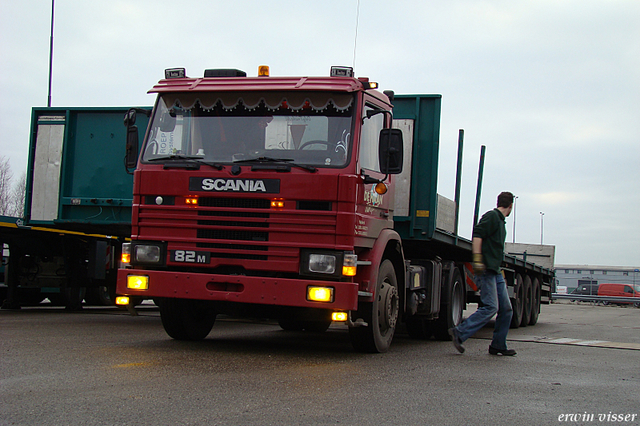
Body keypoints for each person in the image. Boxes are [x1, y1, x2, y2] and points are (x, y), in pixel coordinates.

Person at [449, 191, 516, 356]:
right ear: (511, 206)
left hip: (495, 271)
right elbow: (477, 235)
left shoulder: (500, 221)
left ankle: (498, 345)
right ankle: (459, 332)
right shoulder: (492, 217)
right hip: (486, 269)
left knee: (506, 309)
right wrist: (477, 259)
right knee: (491, 307)